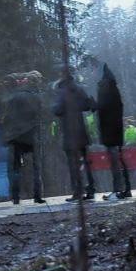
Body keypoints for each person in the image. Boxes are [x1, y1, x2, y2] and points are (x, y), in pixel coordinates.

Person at [0, 71, 45, 204]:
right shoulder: (37, 97)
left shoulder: (15, 96)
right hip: (32, 134)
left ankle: (16, 196)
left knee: (16, 167)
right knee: (36, 166)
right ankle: (37, 195)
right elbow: (41, 115)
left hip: (16, 135)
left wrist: (8, 133)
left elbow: (7, 117)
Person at [52, 72, 96, 201]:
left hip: (69, 131)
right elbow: (87, 106)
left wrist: (53, 108)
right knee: (86, 161)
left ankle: (78, 191)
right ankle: (91, 188)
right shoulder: (80, 89)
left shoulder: (62, 92)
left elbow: (58, 110)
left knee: (73, 163)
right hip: (81, 130)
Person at [96, 64, 132, 199]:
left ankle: (117, 190)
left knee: (114, 163)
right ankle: (126, 189)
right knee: (120, 161)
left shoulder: (103, 90)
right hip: (117, 131)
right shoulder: (115, 90)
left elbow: (102, 111)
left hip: (109, 132)